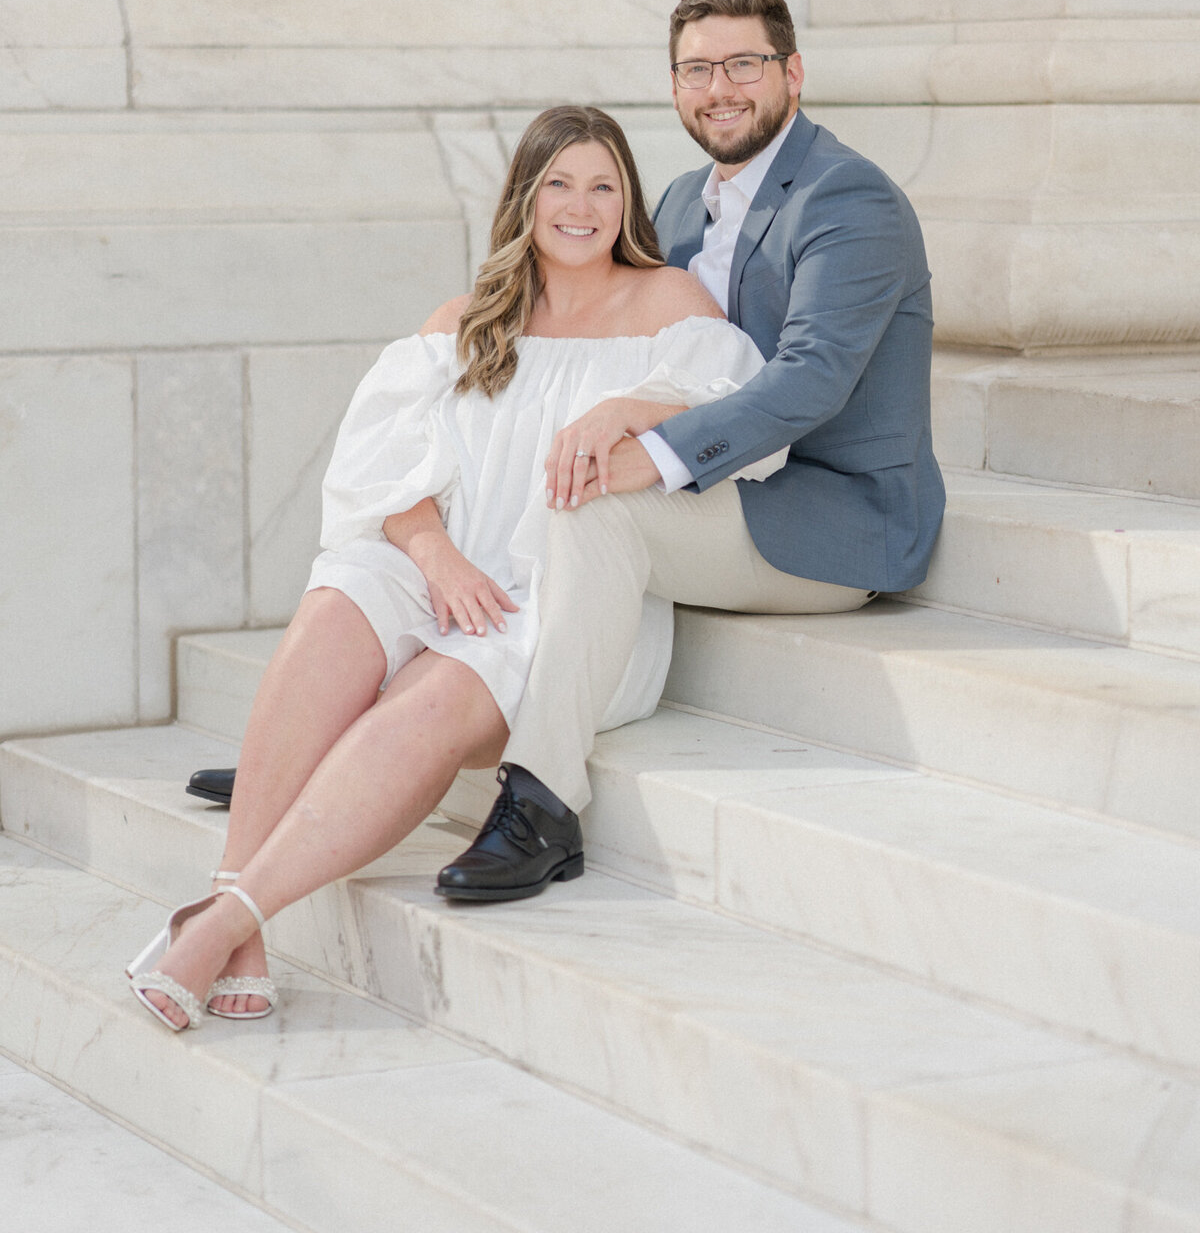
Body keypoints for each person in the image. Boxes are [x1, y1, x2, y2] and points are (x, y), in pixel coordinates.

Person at [130, 104, 786, 1031]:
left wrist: (627, 408)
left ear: (628, 201)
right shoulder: (470, 320)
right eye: (559, 182)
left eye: (604, 185)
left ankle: (225, 922)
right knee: (340, 596)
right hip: (447, 562)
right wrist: (434, 555)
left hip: (561, 601)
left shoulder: (671, 306)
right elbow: (375, 470)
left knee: (440, 689)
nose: (582, 205)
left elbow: (744, 426)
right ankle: (236, 910)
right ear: (525, 197)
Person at [438, 0, 944, 900]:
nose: (721, 89)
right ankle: (371, 741)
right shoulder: (675, 203)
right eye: (697, 69)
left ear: (793, 73)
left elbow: (811, 380)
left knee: (595, 506)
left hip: (829, 517)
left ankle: (542, 797)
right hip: (728, 492)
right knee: (517, 459)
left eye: (744, 64)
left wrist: (651, 441)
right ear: (674, 87)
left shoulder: (848, 200)